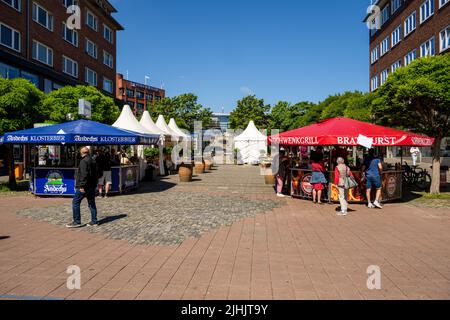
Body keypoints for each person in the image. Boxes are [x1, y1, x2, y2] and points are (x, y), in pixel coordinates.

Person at [66, 147, 98, 228]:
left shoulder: (83, 161)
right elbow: (96, 174)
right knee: (91, 204)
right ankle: (94, 221)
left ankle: (77, 221)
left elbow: (84, 174)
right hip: (91, 186)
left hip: (85, 186)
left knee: (75, 202)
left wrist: (82, 186)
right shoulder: (93, 160)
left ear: (81, 153)